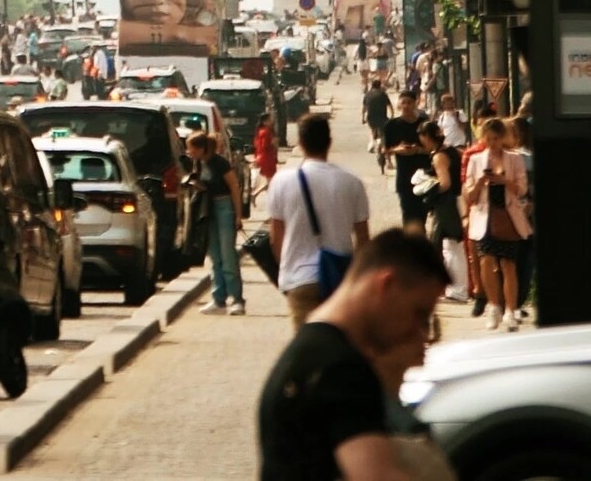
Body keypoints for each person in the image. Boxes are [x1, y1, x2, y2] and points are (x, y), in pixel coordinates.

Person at [255, 229, 448, 481]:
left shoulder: (313, 352)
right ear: (386, 285)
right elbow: (375, 476)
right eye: (419, 314)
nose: (419, 333)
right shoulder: (340, 368)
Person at [264, 113, 373, 329]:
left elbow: (277, 237)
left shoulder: (281, 181)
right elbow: (362, 239)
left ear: (300, 143)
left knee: (310, 352)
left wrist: (285, 271)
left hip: (300, 279)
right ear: (329, 143)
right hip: (340, 280)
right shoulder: (351, 182)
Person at [463, 116, 531, 331]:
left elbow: (522, 190)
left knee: (508, 264)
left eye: (495, 138)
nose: (492, 143)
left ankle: (510, 310)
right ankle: (493, 306)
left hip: (508, 217)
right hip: (484, 218)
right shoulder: (475, 161)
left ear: (502, 138)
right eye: (488, 139)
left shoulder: (514, 159)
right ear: (483, 138)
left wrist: (504, 181)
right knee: (486, 261)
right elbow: (469, 196)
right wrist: (482, 181)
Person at [189, 132, 245, 315]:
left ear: (201, 148)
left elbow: (234, 187)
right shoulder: (198, 163)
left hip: (224, 206)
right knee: (214, 255)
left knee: (228, 255)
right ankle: (218, 298)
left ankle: (237, 299)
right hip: (209, 208)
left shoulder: (220, 163)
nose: (189, 152)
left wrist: (238, 215)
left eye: (191, 148)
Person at [415, 123, 468, 305]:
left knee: (442, 246)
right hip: (455, 202)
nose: (423, 144)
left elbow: (444, 183)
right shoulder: (452, 151)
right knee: (451, 246)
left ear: (430, 138)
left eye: (424, 140)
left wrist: (426, 187)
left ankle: (453, 288)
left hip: (446, 205)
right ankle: (456, 288)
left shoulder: (439, 157)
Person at [383, 90, 432, 233]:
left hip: (424, 175)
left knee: (422, 213)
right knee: (408, 213)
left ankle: (419, 241)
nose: (406, 106)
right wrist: (399, 150)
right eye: (403, 102)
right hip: (404, 176)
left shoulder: (424, 124)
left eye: (409, 102)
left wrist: (417, 150)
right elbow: (386, 149)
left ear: (415, 103)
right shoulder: (391, 125)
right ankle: (412, 244)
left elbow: (434, 148)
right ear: (399, 104)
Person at [361, 75, 392, 172]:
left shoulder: (368, 95)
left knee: (373, 131)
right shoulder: (383, 94)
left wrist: (362, 118)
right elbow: (390, 106)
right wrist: (392, 116)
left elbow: (364, 108)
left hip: (371, 120)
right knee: (385, 140)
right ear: (380, 86)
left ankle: (373, 143)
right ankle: (389, 162)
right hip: (383, 119)